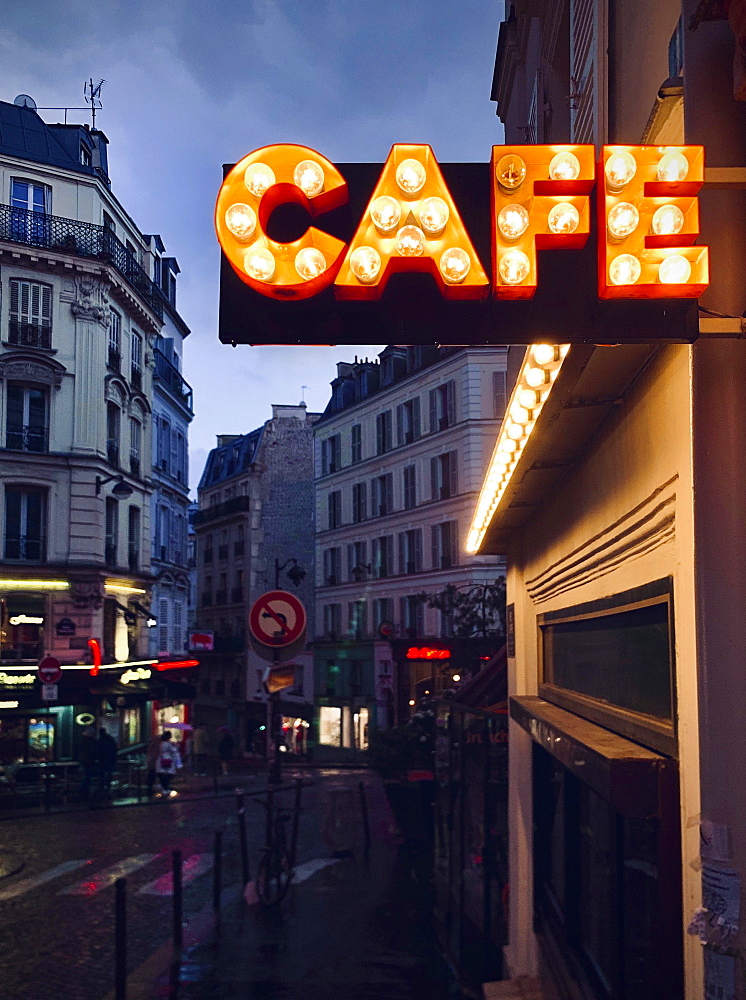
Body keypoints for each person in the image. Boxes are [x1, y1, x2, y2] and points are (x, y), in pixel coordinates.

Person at [155, 731, 182, 796]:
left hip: (161, 760)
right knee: (168, 775)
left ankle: (164, 787)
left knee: (162, 774)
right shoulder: (170, 744)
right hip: (168, 760)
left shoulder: (160, 744)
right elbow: (174, 752)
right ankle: (166, 788)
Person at [78, 725, 98, 800]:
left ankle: (83, 791)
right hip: (89, 761)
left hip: (84, 761)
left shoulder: (82, 741)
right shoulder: (92, 742)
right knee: (88, 777)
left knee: (87, 776)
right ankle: (83, 790)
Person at [97, 727, 118, 795]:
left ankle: (102, 786)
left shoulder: (100, 740)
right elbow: (115, 748)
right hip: (110, 759)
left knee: (102, 773)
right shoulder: (110, 739)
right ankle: (108, 786)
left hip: (102, 760)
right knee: (109, 773)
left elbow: (98, 750)